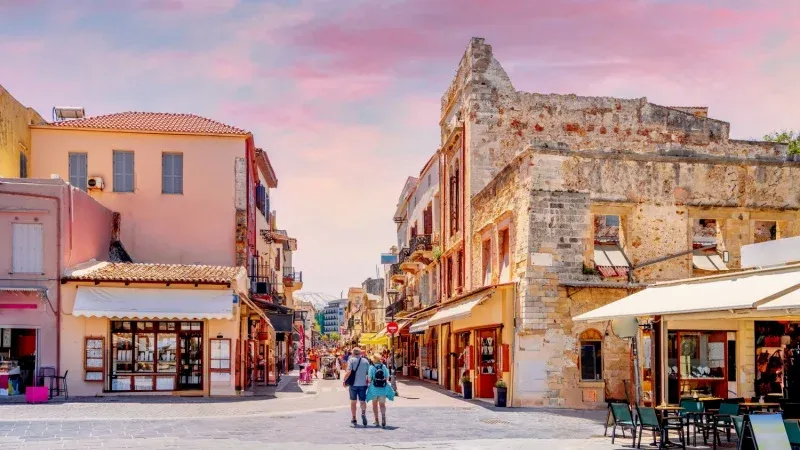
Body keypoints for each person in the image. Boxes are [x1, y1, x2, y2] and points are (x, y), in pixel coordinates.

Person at [342, 347, 370, 427]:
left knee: (353, 402)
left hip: (353, 384)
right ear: (360, 353)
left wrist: (344, 380)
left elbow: (349, 371)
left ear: (353, 353)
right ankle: (363, 413)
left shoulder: (351, 360)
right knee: (362, 401)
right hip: (363, 384)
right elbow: (369, 373)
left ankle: (354, 417)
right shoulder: (365, 361)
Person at [366, 353, 395, 428]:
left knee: (374, 405)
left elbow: (369, 379)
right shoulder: (384, 367)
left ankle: (376, 420)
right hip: (383, 388)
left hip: (374, 388)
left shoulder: (371, 367)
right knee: (382, 404)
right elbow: (387, 377)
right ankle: (383, 417)